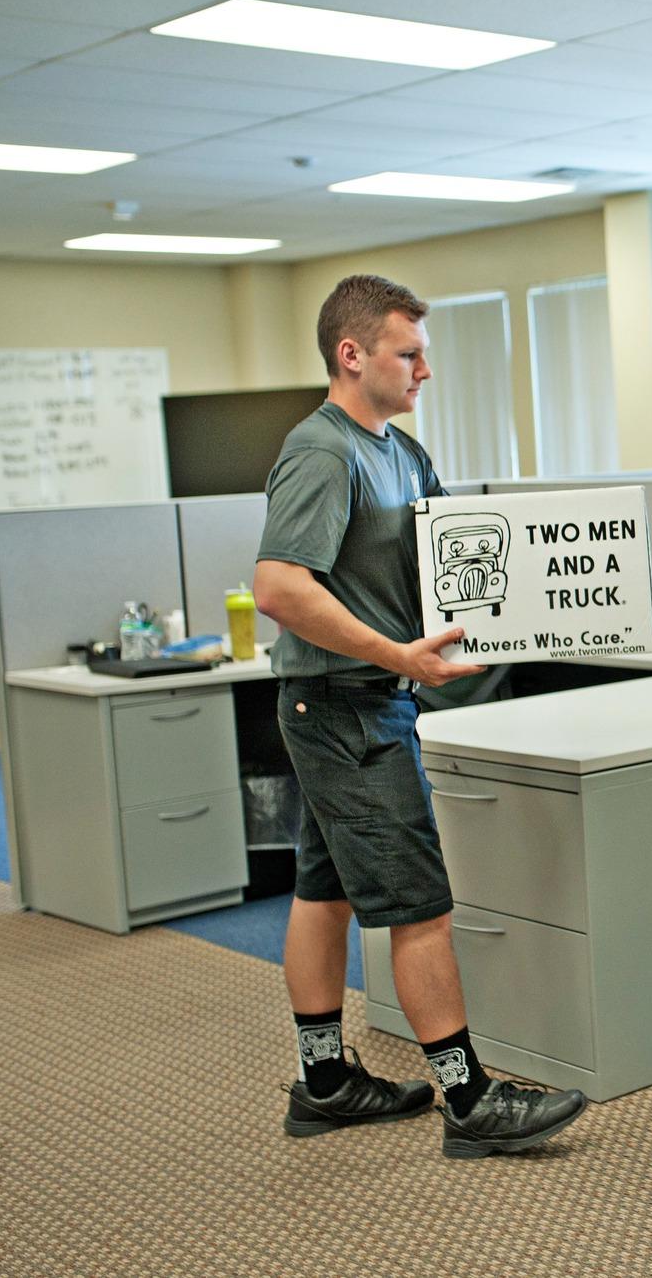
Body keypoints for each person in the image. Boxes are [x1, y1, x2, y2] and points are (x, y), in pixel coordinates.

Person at [254, 273, 587, 1159]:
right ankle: (468, 1099)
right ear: (351, 353)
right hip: (342, 707)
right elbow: (279, 587)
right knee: (422, 906)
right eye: (409, 352)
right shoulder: (322, 451)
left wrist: (567, 598)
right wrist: (398, 655)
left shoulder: (398, 450)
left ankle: (324, 1082)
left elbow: (446, 557)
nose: (425, 370)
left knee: (323, 891)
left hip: (366, 701)